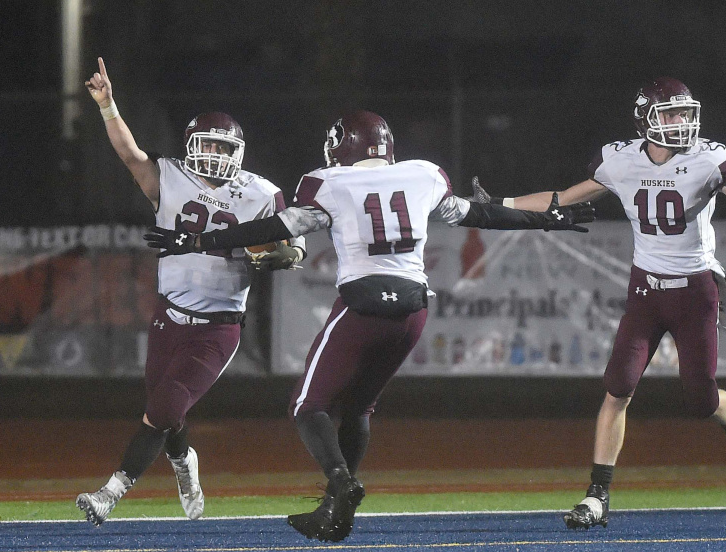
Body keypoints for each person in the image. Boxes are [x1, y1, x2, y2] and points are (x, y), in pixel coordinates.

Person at [145, 110, 595, 542]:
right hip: (414, 311)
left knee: (307, 406)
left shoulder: (328, 182)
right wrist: (547, 220)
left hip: (363, 306)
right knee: (358, 408)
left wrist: (198, 238)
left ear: (343, 145)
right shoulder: (423, 174)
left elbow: (272, 226)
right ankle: (335, 510)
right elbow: (479, 215)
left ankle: (340, 483)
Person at [471, 77, 726, 530]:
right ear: (646, 117)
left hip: (694, 291)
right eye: (671, 114)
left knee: (700, 398)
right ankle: (598, 494)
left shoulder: (708, 159)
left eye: (686, 113)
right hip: (645, 290)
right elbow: (558, 200)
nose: (682, 122)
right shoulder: (619, 159)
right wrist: (497, 205)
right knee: (617, 387)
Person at [76, 57, 305, 526]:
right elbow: (130, 156)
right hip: (169, 315)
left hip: (217, 327)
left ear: (238, 152)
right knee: (164, 408)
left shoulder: (261, 193)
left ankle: (110, 493)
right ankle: (184, 461)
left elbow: (294, 246)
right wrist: (107, 106)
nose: (217, 155)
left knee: (162, 408)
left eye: (225, 147)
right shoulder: (172, 176)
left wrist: (281, 255)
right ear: (192, 145)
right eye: (210, 145)